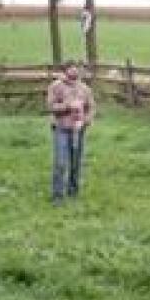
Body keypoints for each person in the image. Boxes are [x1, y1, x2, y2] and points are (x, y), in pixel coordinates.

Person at [46, 64, 95, 203]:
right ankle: (57, 195)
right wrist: (67, 106)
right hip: (61, 128)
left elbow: (91, 107)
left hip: (78, 130)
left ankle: (73, 191)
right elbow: (50, 106)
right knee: (61, 162)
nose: (75, 71)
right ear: (65, 71)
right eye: (72, 68)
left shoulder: (85, 89)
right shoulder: (56, 86)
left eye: (77, 69)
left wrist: (85, 121)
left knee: (76, 161)